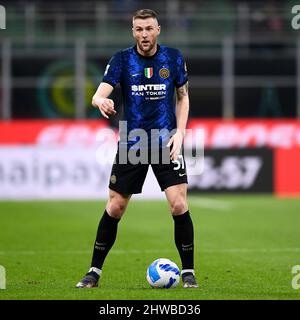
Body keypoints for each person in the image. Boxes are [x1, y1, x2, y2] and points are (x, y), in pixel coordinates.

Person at [76, 8, 198, 289]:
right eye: (139, 29)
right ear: (133, 31)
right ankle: (93, 272)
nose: (144, 34)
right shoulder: (121, 60)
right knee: (116, 206)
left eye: (149, 29)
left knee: (179, 204)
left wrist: (180, 133)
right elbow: (100, 92)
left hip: (166, 140)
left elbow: (183, 97)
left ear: (158, 30)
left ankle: (189, 271)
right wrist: (99, 101)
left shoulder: (173, 58)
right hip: (132, 141)